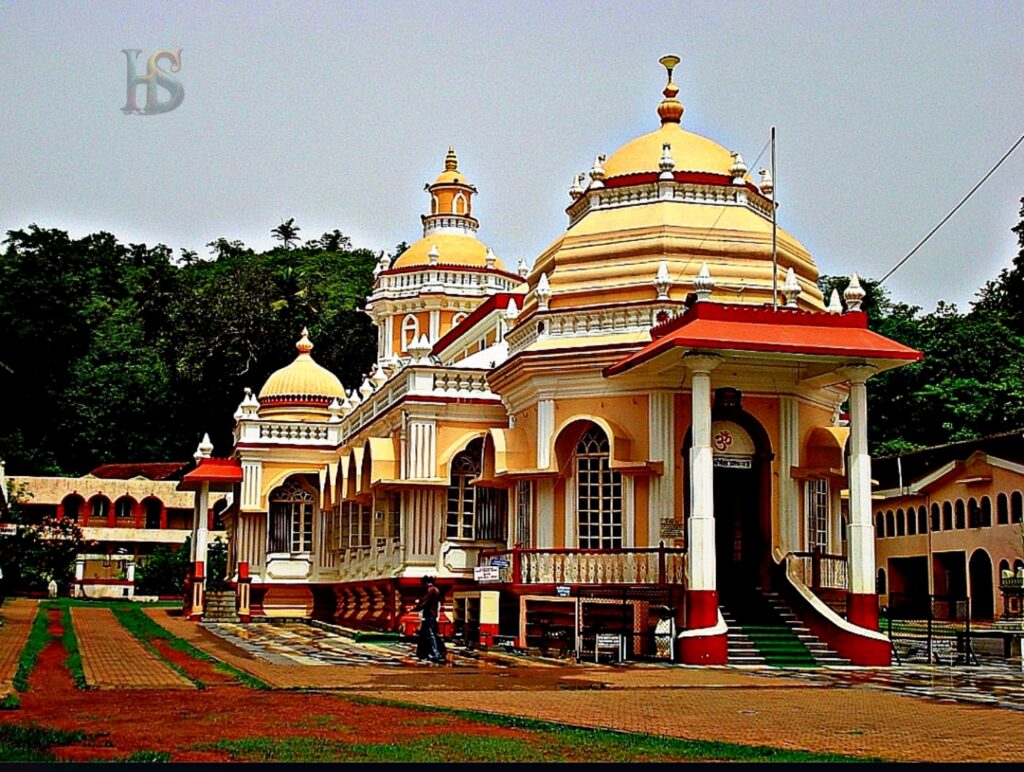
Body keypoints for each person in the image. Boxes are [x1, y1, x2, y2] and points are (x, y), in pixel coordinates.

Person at [414, 575, 447, 664]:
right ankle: (422, 653)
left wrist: (415, 608)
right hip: (431, 615)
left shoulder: (431, 590)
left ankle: (435, 654)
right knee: (425, 635)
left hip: (430, 616)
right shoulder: (434, 589)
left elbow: (424, 602)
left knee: (431, 635)